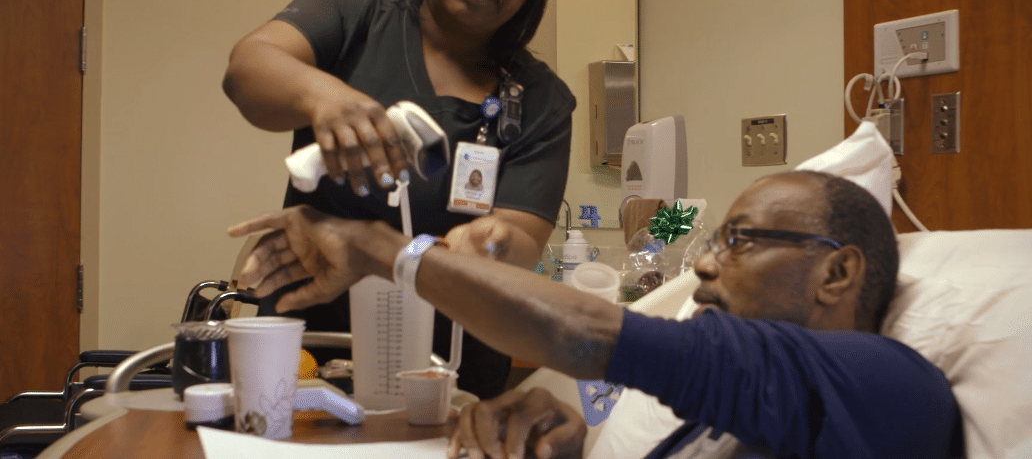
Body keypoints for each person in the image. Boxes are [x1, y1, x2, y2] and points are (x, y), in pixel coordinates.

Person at [227, 170, 963, 459]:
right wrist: (571, 447)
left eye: (738, 243)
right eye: (710, 241)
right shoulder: (719, 417)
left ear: (838, 271)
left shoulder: (888, 383)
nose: (705, 263)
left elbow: (587, 331)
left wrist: (380, 247)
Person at [221, 0, 572, 400]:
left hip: (453, 370)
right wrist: (326, 97)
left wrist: (488, 245)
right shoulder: (358, 9)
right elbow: (247, 70)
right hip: (309, 347)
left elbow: (519, 240)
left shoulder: (541, 98)